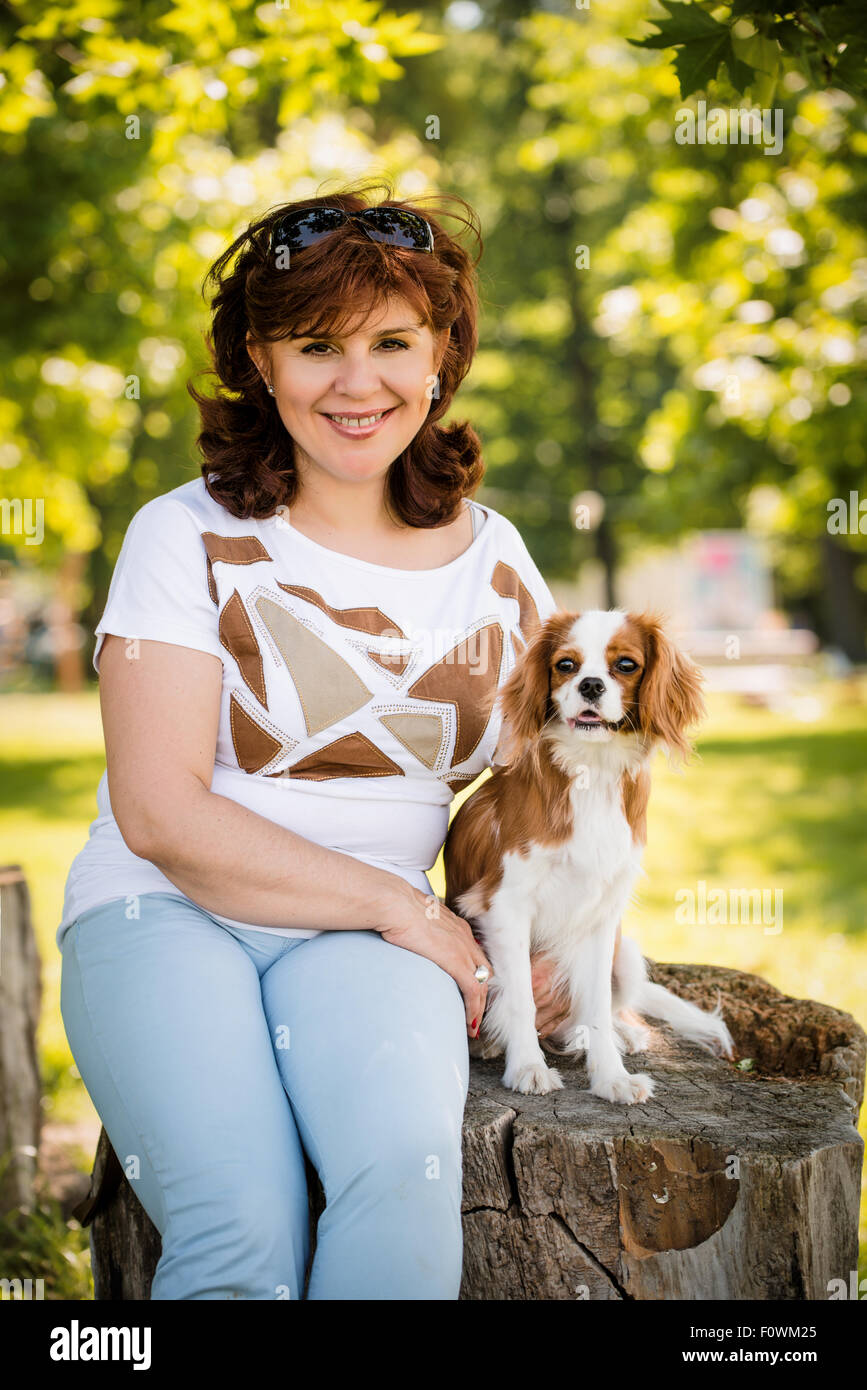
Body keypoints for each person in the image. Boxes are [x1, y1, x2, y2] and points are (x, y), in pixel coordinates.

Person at [57, 181, 571, 1301]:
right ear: (260, 358)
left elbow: (565, 774)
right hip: (165, 912)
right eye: (315, 343)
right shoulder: (184, 533)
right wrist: (405, 904)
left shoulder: (496, 558)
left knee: (401, 1184)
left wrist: (555, 939)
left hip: (362, 942)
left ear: (441, 351)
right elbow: (161, 814)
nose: (357, 381)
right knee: (243, 1225)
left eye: (392, 341)